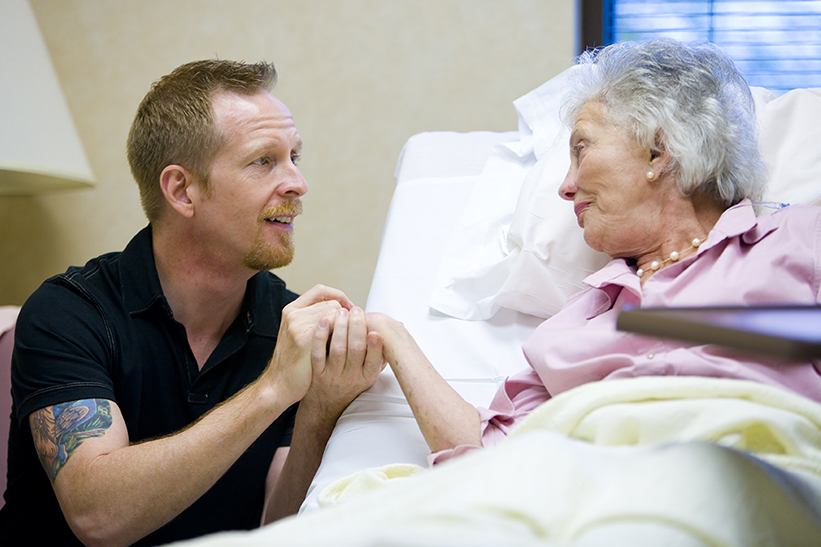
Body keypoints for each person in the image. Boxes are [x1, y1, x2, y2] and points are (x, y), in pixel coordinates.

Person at [365, 38, 821, 460]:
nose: (565, 188)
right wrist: (393, 337)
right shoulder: (572, 325)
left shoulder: (797, 240)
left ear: (658, 151)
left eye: (581, 149)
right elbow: (488, 457)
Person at [0, 60, 384, 546]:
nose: (297, 183)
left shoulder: (286, 324)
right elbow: (98, 517)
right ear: (182, 190)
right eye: (263, 160)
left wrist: (318, 412)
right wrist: (271, 390)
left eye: (294, 157)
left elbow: (278, 528)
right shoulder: (68, 312)